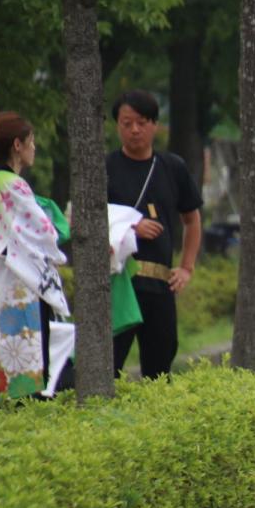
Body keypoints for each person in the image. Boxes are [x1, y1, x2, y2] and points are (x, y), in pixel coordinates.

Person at [0, 112, 73, 402]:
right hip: (19, 292)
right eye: (31, 141)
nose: (34, 147)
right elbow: (44, 233)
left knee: (14, 378)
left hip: (4, 290)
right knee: (28, 379)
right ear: (17, 145)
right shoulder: (11, 184)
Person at [106, 89, 203, 379]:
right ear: (117, 126)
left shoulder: (172, 167)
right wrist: (132, 226)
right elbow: (86, 220)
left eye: (142, 122)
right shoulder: (104, 167)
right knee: (110, 363)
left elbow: (192, 219)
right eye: (127, 123)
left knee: (159, 367)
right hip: (118, 282)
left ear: (155, 125)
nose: (135, 129)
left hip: (160, 285)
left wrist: (186, 267)